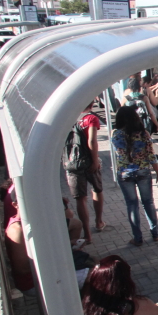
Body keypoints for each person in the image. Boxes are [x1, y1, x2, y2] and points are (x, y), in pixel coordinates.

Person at [112, 105, 158, 246]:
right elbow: (151, 155)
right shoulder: (143, 133)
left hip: (125, 173)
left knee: (132, 205)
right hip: (143, 171)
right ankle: (155, 233)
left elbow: (118, 153)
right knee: (148, 202)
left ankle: (137, 238)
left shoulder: (116, 134)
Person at [64, 103, 105, 244]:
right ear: (92, 104)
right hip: (88, 162)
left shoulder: (67, 118)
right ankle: (99, 222)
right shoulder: (90, 119)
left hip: (72, 164)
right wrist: (95, 161)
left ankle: (87, 234)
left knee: (80, 198)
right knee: (97, 190)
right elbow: (92, 141)